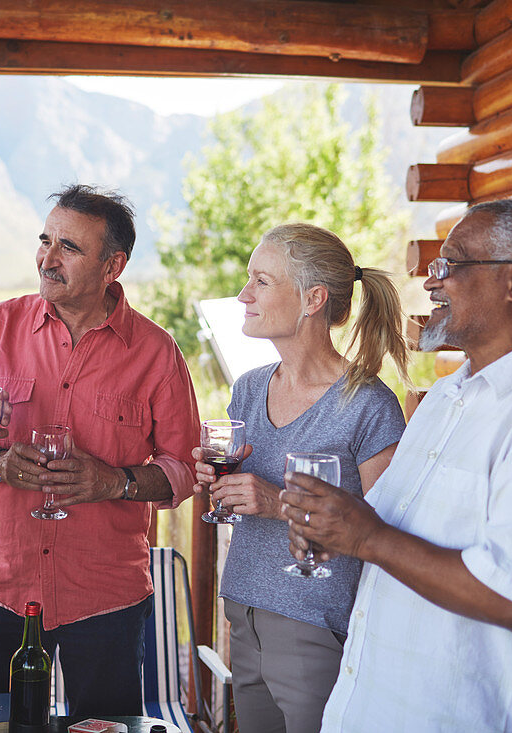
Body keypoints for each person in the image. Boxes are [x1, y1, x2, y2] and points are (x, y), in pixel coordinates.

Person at [280, 199, 512, 731]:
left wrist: (365, 537)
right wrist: (333, 529)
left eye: (451, 265)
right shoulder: (448, 397)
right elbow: (390, 529)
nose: (432, 283)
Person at [0, 184, 199, 716]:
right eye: (45, 240)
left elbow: (184, 470)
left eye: (68, 248)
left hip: (105, 595)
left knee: (104, 729)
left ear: (112, 265)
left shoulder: (156, 352)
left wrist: (114, 482)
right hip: (2, 582)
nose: (47, 259)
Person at [193, 223, 407, 732]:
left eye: (261, 282)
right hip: (242, 610)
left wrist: (274, 501)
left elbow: (388, 536)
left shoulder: (369, 405)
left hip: (315, 625)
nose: (244, 295)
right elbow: (240, 490)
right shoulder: (248, 389)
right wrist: (215, 479)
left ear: (313, 298)